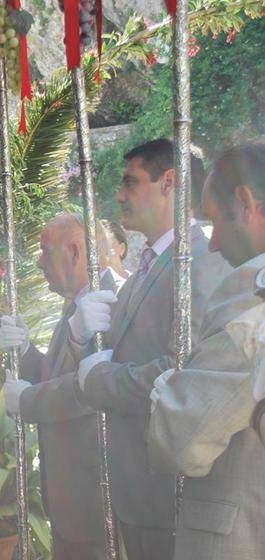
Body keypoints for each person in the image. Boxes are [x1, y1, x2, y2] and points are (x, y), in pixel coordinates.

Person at [67, 138, 230, 560]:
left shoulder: (197, 259)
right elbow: (113, 353)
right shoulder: (148, 264)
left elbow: (184, 370)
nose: (119, 195)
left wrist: (101, 378)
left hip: (167, 488)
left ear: (169, 184)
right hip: (135, 487)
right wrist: (79, 337)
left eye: (131, 182)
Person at [148, 142, 265, 560]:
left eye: (215, 222)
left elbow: (184, 440)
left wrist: (166, 392)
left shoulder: (253, 290)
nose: (213, 244)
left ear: (247, 203)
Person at [0, 213, 125, 560]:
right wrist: (24, 351)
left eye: (45, 251)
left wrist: (27, 401)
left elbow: (89, 390)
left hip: (97, 492)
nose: (39, 261)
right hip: (71, 495)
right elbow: (54, 374)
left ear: (74, 252)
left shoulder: (111, 299)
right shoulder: (75, 301)